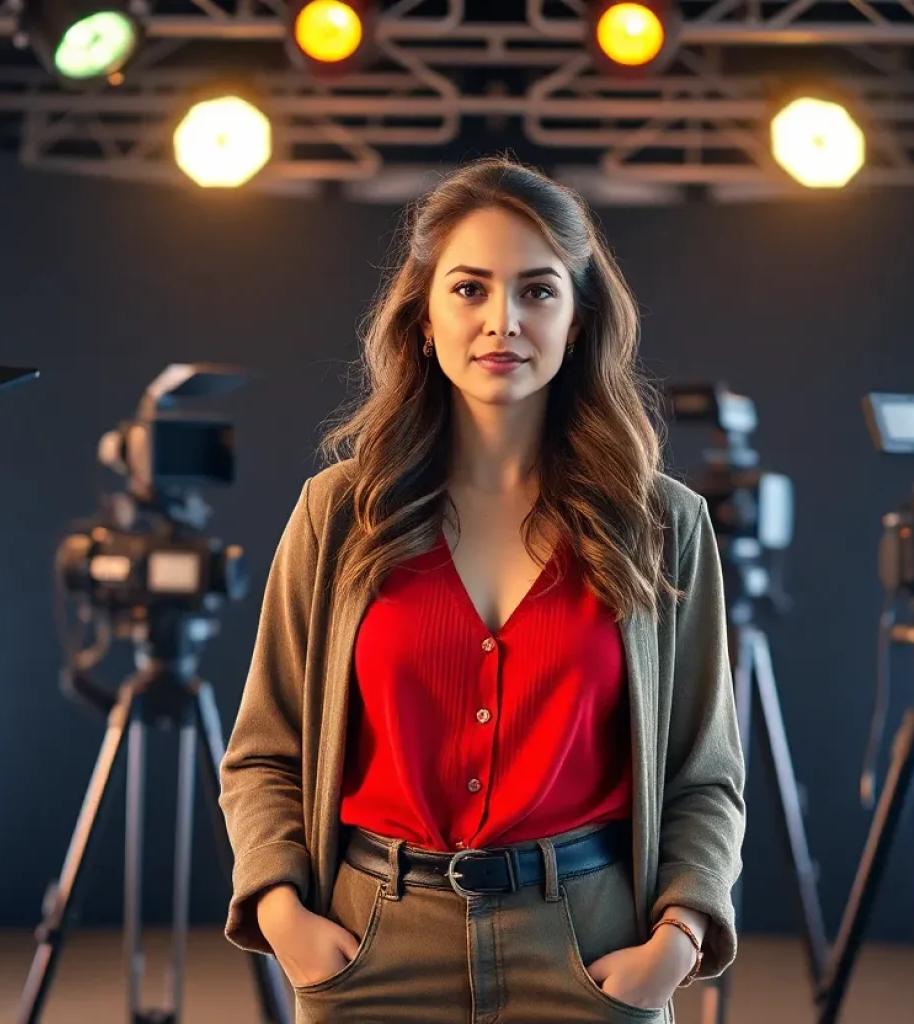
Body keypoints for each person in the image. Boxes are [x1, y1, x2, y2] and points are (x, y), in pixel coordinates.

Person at [218, 155, 746, 1024]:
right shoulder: (338, 513)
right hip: (369, 946)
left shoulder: (663, 523)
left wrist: (677, 941)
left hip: (592, 948)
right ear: (423, 316)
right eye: (470, 288)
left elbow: (705, 775)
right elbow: (264, 752)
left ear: (577, 322)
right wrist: (285, 918)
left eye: (538, 291)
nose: (503, 320)